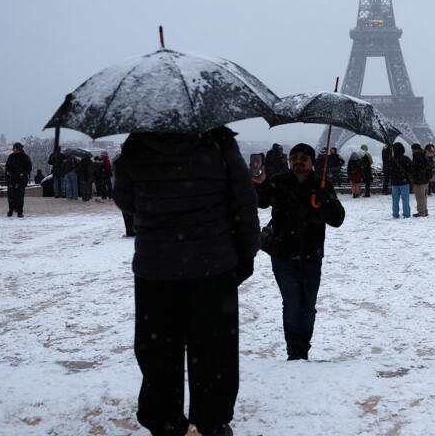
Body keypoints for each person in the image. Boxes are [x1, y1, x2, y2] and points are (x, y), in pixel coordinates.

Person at [114, 125, 259, 436]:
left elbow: (125, 200)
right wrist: (246, 254)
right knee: (214, 351)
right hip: (213, 264)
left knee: (158, 353)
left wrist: (160, 216)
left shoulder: (137, 143)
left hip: (156, 266)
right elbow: (244, 201)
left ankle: (164, 420)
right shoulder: (219, 142)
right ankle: (213, 420)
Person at [253, 143, 344, 361]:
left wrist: (327, 200)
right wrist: (259, 183)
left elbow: (338, 219)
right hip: (283, 254)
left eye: (303, 157)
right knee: (292, 305)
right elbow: (261, 201)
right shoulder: (278, 182)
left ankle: (303, 347)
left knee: (308, 307)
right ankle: (295, 352)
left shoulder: (322, 185)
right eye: (294, 157)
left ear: (312, 162)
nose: (298, 161)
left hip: (311, 255)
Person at [5, 142, 32, 218]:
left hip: (21, 180)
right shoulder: (11, 156)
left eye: (14, 148)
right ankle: (11, 209)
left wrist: (22, 174)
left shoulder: (25, 157)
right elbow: (7, 166)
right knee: (11, 196)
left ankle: (19, 211)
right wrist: (8, 173)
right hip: (11, 179)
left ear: (18, 149)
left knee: (20, 196)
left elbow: (28, 168)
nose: (13, 149)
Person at [387, 142, 411, 218]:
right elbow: (411, 169)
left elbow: (388, 170)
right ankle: (406, 214)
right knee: (405, 199)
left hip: (395, 182)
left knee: (395, 199)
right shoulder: (406, 159)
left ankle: (395, 213)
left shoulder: (391, 159)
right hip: (404, 181)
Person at [410, 143, 431, 217]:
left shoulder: (417, 157)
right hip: (425, 179)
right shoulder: (424, 155)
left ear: (415, 149)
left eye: (412, 149)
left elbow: (415, 168)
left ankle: (421, 212)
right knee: (424, 197)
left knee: (419, 197)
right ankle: (425, 210)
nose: (412, 151)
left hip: (419, 180)